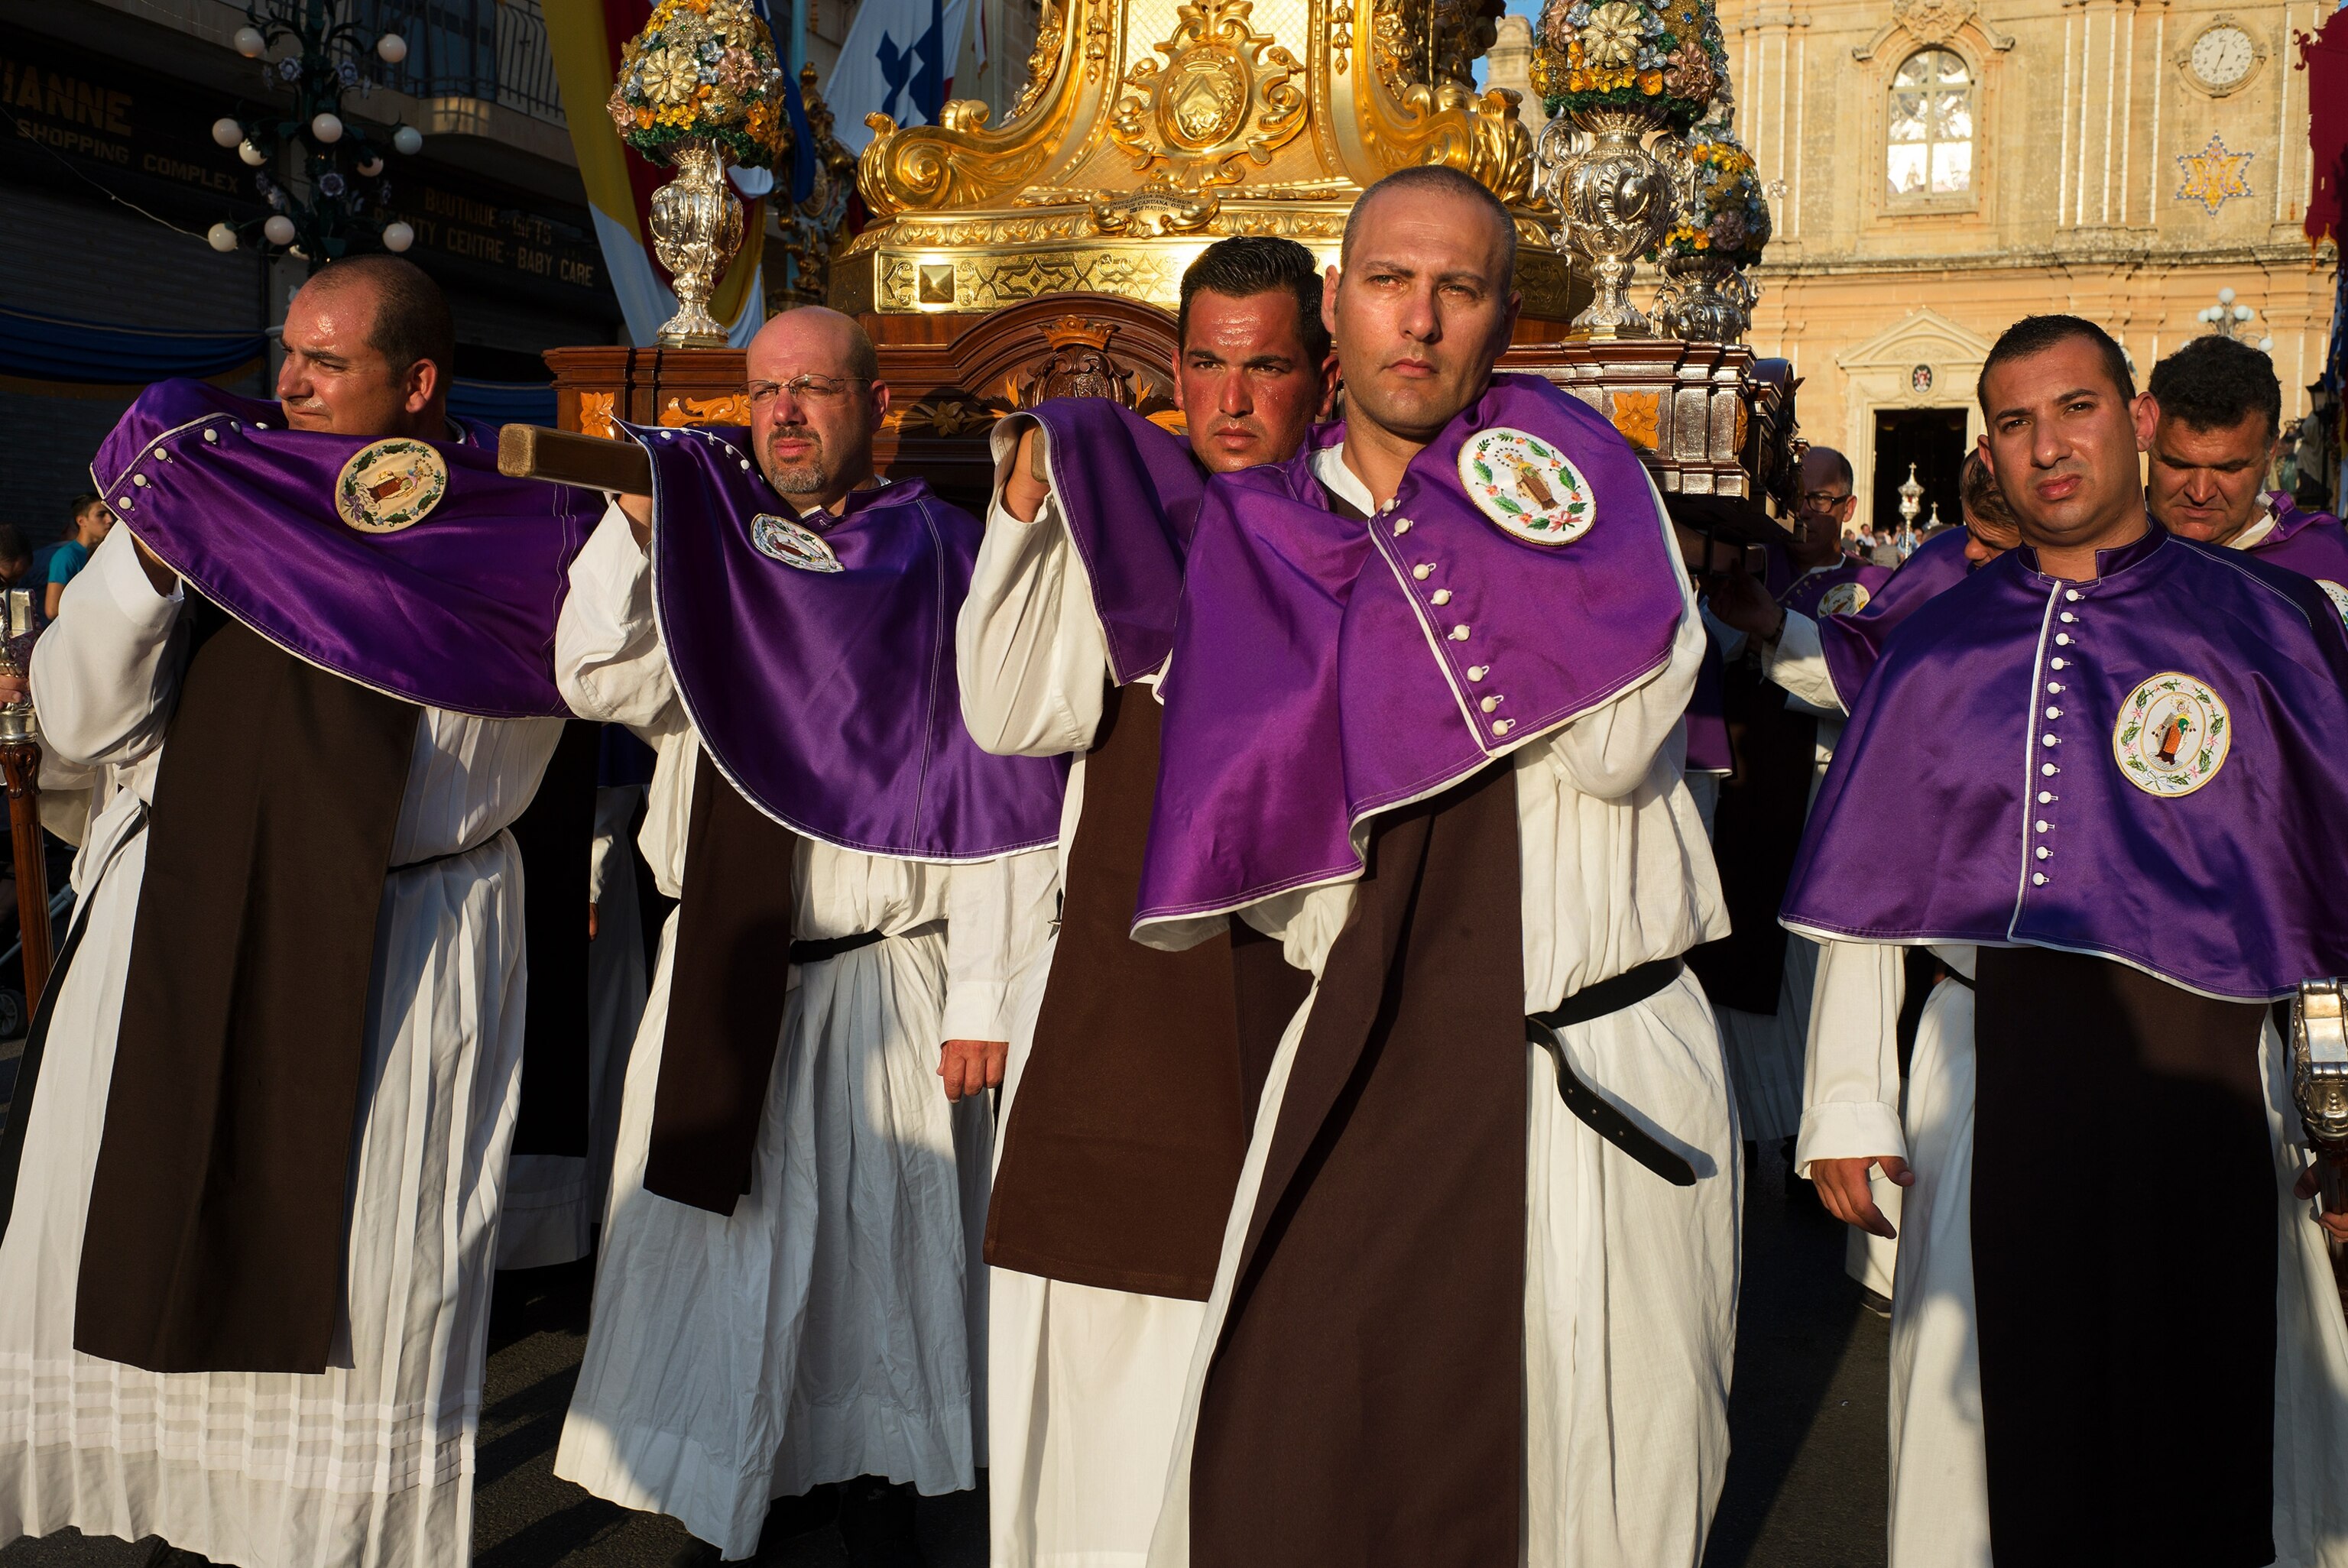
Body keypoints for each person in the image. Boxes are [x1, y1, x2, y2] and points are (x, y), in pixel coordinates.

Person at [1133, 167, 1738, 1566]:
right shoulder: (1263, 535)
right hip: (1380, 1044)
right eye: (1390, 283)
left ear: (1501, 319)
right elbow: (1271, 874)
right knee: (1325, 1456)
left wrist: (1449, 543)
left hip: (1601, 1052)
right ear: (1333, 306)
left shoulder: (1576, 478)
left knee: (1623, 1483)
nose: (1419, 319)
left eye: (1457, 290)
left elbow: (1614, 745)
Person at [0, 255, 602, 1568]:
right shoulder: (226, 493)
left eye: (326, 363)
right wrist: (152, 556)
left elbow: (607, 680)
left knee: (369, 1291)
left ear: (417, 382)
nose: (289, 382)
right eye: (291, 353)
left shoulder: (521, 528)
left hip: (401, 943)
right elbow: (77, 715)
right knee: (137, 1246)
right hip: (185, 919)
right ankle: (163, 1522)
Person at [1788, 314, 2348, 1568]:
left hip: (2214, 1067)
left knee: (2212, 1406)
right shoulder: (1936, 641)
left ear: (2133, 418)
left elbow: (2329, 876)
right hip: (1986, 1063)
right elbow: (1868, 889)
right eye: (2015, 422)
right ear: (1986, 448)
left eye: (2075, 410)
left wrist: (2339, 1105)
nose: (2049, 447)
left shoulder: (2268, 623)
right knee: (1984, 1431)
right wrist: (1842, 1099)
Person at [551, 306, 1063, 1567]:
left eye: (816, 390)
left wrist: (983, 993)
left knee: (873, 1291)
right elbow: (597, 682)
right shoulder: (709, 553)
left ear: (874, 409)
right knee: (724, 1285)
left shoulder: (943, 558)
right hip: (723, 978)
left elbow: (999, 785)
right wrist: (634, 531)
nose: (784, 411)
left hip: (881, 983)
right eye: (766, 389)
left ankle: (880, 1506)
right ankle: (745, 1514)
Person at [956, 235, 1335, 1568]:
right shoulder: (1129, 524)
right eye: (1210, 367)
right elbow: (1007, 711)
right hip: (1121, 1006)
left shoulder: (1364, 532)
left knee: (1258, 1347)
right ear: (1176, 369)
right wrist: (1020, 508)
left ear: (1318, 374)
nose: (1232, 402)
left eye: (1267, 368)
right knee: (1090, 1351)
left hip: (1289, 1002)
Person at [1690, 447, 1892, 1207]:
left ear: (1845, 508)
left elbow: (1868, 688)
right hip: (1737, 794)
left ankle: (1809, 1140)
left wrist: (1778, 632)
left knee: (1805, 983)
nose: (1803, 511)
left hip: (1813, 804)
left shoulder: (1870, 588)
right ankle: (1737, 1131)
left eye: (1819, 499)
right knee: (1730, 962)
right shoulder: (1749, 563)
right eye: (1794, 496)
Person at [2143, 332, 2348, 591]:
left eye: (2228, 469)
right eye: (2179, 465)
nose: (2200, 493)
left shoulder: (2325, 562)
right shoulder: (2098, 554)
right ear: (2145, 439)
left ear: (2270, 453)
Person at [43, 494, 115, 620]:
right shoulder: (66, 556)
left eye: (110, 513)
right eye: (101, 514)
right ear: (81, 521)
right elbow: (52, 610)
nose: (109, 520)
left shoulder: (109, 552)